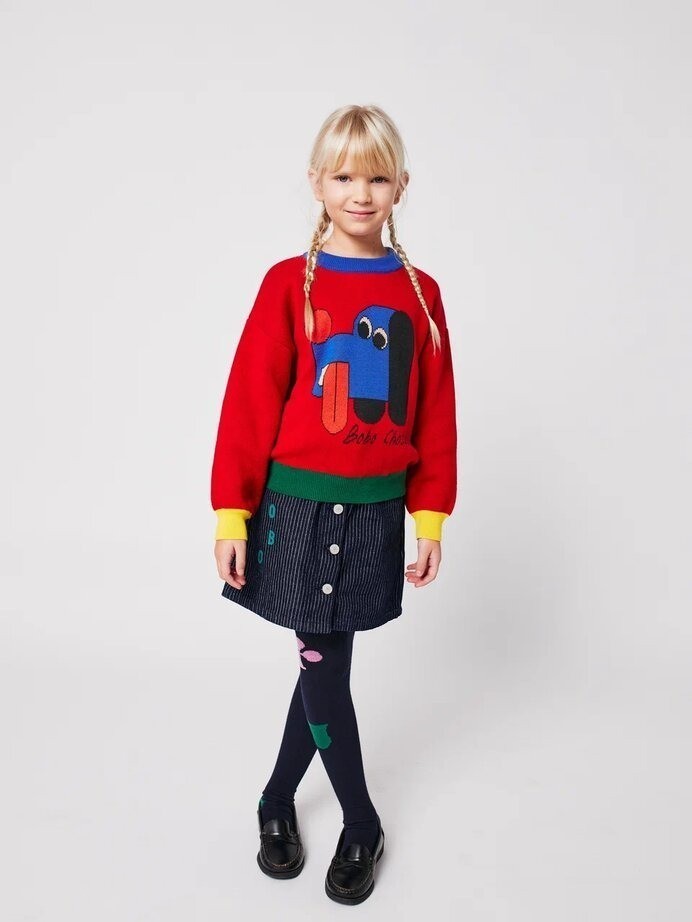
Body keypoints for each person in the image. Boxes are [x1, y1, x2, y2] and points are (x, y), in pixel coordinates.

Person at [210, 103, 458, 905]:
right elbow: (249, 402)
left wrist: (429, 516)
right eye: (344, 175)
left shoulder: (421, 294)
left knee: (324, 662)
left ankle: (275, 798)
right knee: (324, 661)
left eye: (377, 177)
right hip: (297, 510)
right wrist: (231, 512)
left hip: (377, 513)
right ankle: (361, 818)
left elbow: (435, 412)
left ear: (402, 187)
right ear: (317, 183)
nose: (361, 192)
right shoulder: (288, 284)